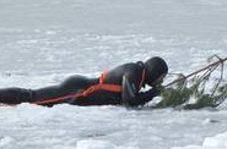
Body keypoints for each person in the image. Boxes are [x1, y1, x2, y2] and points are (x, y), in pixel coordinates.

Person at [0, 56, 168, 107]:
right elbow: (129, 101)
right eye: (160, 78)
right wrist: (153, 93)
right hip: (76, 90)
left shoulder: (137, 73)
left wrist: (153, 93)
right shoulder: (134, 72)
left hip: (79, 89)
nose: (160, 81)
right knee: (31, 96)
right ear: (153, 71)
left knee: (33, 97)